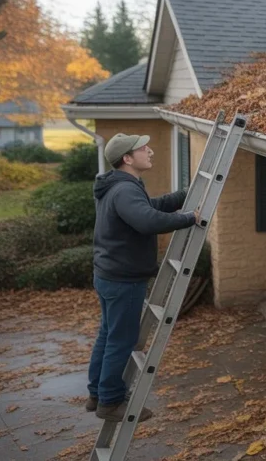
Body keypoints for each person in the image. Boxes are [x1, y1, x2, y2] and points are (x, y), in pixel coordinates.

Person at [86, 133, 199, 422]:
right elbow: (147, 220)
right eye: (143, 148)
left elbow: (149, 207)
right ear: (127, 158)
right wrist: (189, 218)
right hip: (123, 279)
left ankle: (97, 394)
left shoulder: (123, 186)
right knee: (122, 340)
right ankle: (110, 402)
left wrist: (183, 195)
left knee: (109, 335)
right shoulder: (124, 191)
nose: (150, 150)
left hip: (111, 274)